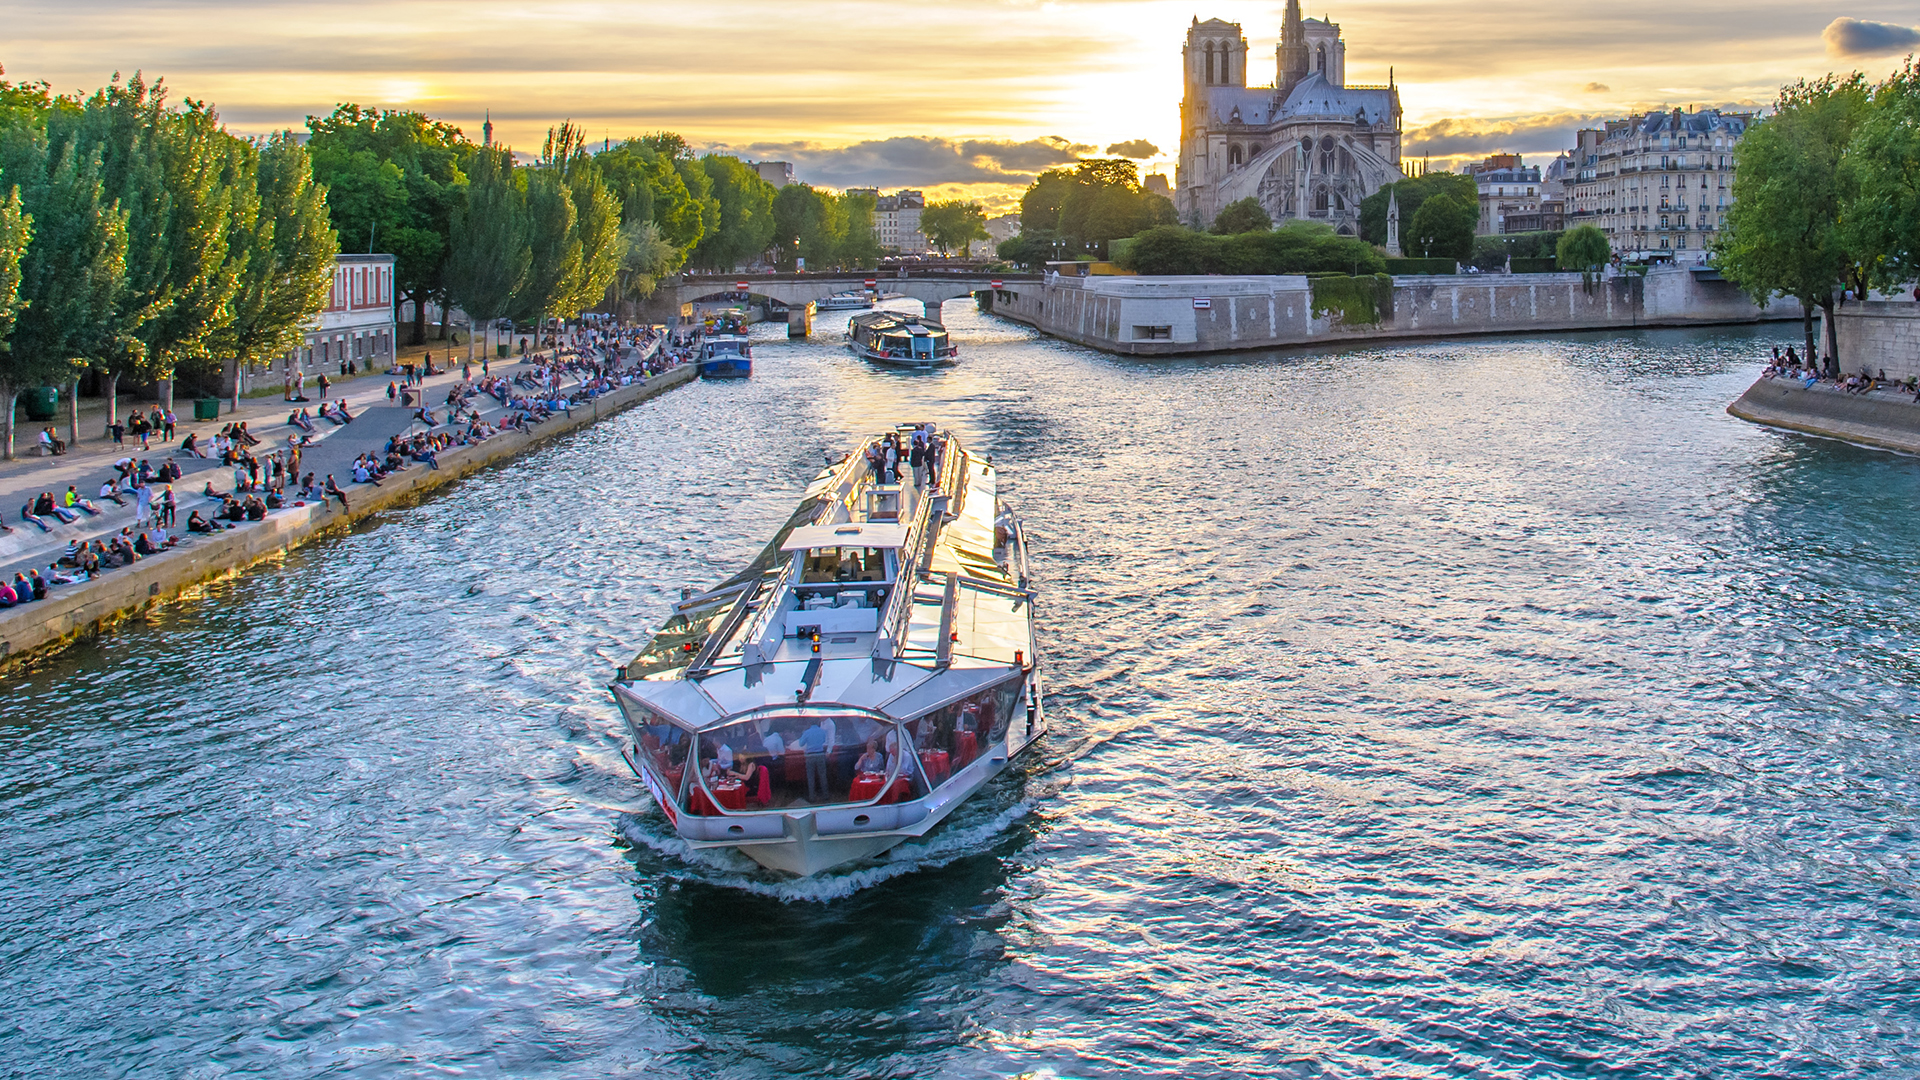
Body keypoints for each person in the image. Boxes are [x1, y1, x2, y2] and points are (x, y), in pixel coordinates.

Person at [799, 719, 829, 802]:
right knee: (823, 775)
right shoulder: (823, 732)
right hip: (820, 754)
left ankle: (812, 797)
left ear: (809, 723)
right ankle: (825, 795)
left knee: (810, 776)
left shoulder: (806, 732)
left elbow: (801, 743)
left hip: (810, 755)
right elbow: (824, 741)